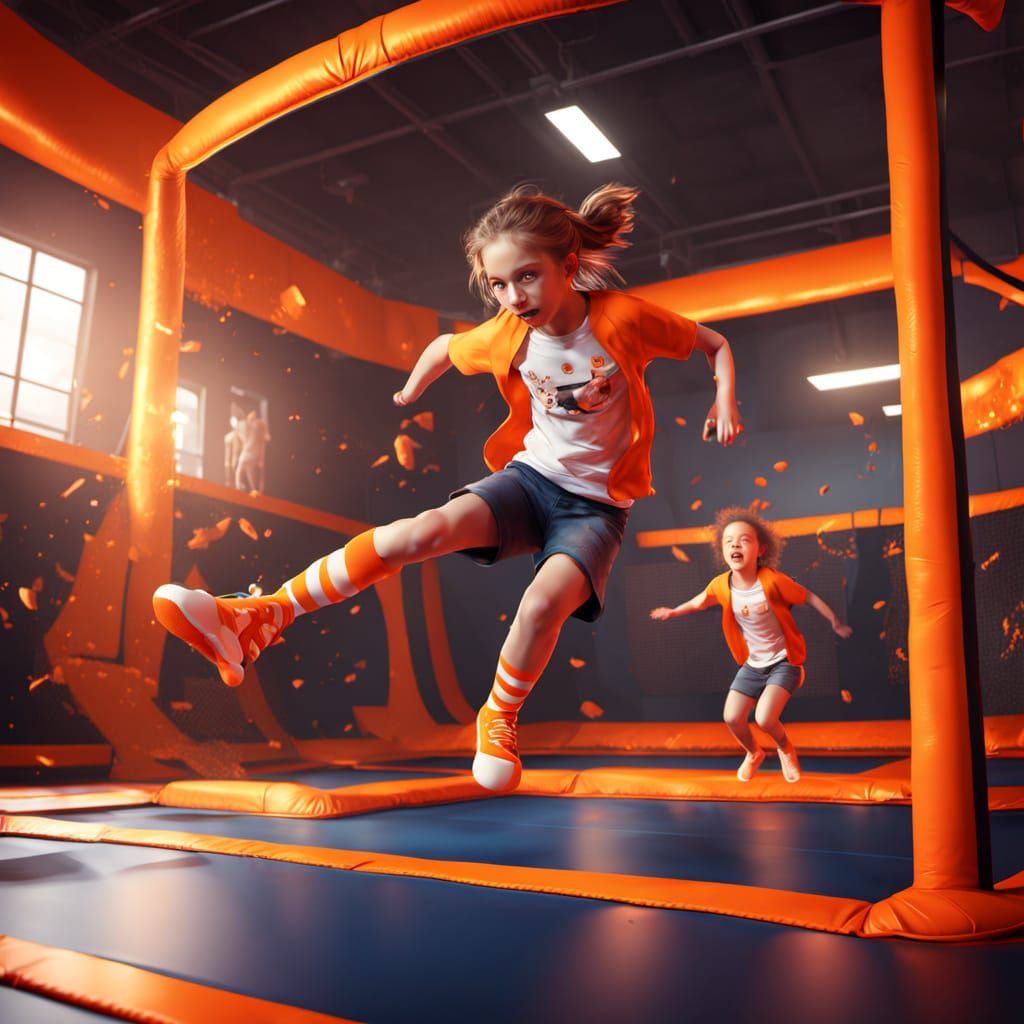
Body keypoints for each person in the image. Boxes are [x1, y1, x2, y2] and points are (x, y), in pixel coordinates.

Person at [153, 183, 741, 793]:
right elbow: (442, 346)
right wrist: (412, 390)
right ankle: (262, 615)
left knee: (542, 605)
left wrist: (724, 398)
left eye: (528, 278)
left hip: (595, 508)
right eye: (499, 285)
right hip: (531, 479)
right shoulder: (509, 333)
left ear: (569, 267)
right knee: (420, 532)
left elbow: (715, 345)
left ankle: (499, 716)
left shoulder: (622, 319)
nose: (515, 297)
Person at [650, 507, 852, 783]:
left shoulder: (771, 581)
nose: (735, 544)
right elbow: (699, 602)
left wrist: (835, 622)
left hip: (784, 661)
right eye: (729, 540)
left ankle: (786, 749)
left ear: (760, 549)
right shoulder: (721, 585)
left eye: (744, 539)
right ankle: (754, 753)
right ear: (722, 549)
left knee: (765, 718)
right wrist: (673, 612)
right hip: (753, 665)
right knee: (732, 717)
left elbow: (809, 597)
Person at [235, 408, 270, 494]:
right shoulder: (247, 425)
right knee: (248, 472)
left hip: (251, 453)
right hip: (250, 452)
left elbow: (264, 441)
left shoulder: (259, 425)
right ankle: (252, 490)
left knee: (241, 470)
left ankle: (245, 488)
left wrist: (261, 459)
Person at [224, 415, 244, 487]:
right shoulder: (229, 437)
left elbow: (241, 449)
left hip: (237, 461)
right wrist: (227, 462)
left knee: (237, 480)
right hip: (229, 462)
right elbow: (228, 451)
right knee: (229, 481)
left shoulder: (240, 438)